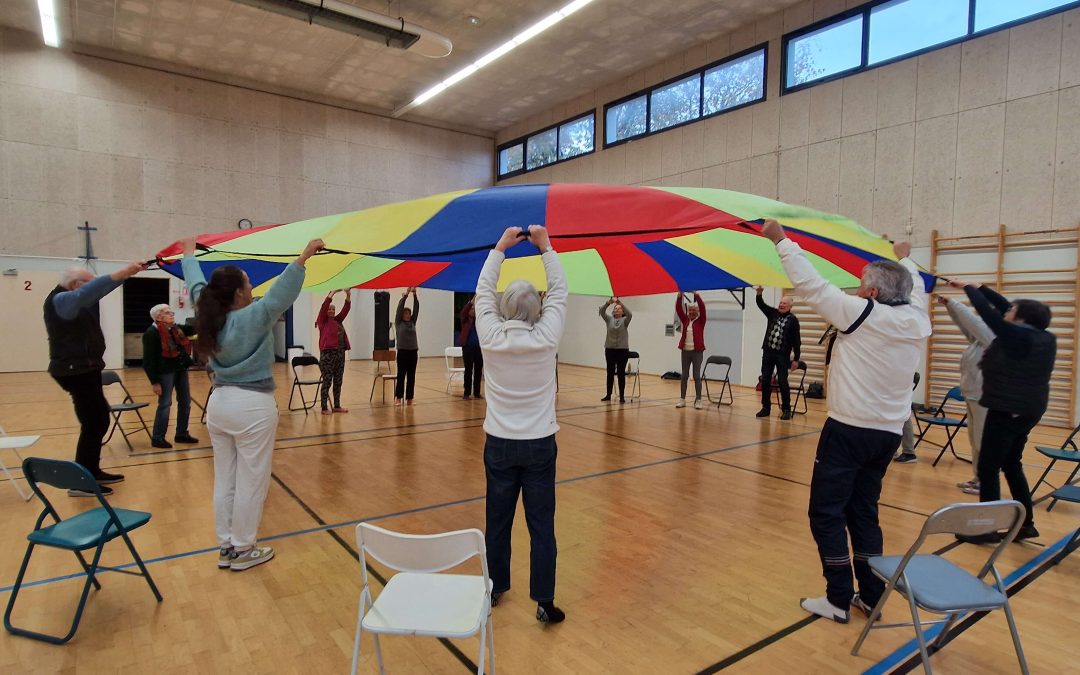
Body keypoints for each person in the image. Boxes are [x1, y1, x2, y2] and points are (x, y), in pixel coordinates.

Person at [760, 219, 931, 624]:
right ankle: (871, 595)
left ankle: (838, 598)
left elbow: (812, 286)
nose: (855, 288)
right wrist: (908, 260)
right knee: (864, 512)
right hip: (887, 435)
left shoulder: (863, 313)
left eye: (860, 283)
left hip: (849, 431)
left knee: (826, 513)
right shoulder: (917, 320)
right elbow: (918, 288)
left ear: (872, 292)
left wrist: (781, 241)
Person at [183, 236, 324, 571]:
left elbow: (195, 284)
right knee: (252, 481)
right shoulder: (255, 315)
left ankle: (227, 546)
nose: (252, 288)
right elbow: (284, 290)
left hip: (218, 405)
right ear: (237, 294)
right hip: (252, 407)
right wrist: (306, 253)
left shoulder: (208, 314)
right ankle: (244, 549)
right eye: (247, 284)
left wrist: (189, 255)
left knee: (225, 479)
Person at [476, 224, 567, 624]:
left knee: (497, 521)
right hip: (539, 446)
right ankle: (544, 601)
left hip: (499, 444)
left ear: (503, 308)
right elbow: (560, 291)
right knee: (541, 525)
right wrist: (546, 247)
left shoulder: (491, 337)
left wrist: (500, 248)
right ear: (538, 310)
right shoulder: (547, 337)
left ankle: (494, 588)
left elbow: (482, 292)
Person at [952, 279, 1054, 543]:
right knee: (1011, 464)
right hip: (1027, 410)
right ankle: (1026, 524)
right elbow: (1005, 307)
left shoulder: (1018, 336)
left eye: (1011, 312)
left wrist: (969, 290)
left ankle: (986, 528)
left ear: (1020, 319)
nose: (1006, 312)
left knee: (988, 468)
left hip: (1008, 409)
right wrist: (981, 287)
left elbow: (989, 315)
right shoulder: (1041, 335)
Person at [44, 261, 148, 496]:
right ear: (74, 285)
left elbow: (96, 291)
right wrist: (121, 272)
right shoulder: (61, 300)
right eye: (88, 284)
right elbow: (89, 292)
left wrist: (125, 277)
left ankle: (90, 470)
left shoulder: (76, 298)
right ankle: (80, 481)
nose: (93, 289)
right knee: (93, 422)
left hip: (84, 369)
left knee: (99, 419)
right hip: (74, 370)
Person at [142, 304, 199, 449]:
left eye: (171, 312)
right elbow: (148, 361)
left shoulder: (175, 329)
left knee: (185, 402)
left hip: (180, 369)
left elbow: (192, 329)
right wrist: (154, 382)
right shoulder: (151, 333)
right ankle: (158, 437)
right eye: (168, 313)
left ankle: (181, 433)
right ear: (158, 317)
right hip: (165, 372)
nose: (172, 315)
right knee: (165, 404)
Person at [755, 287, 801, 420]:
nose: (781, 305)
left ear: (790, 307)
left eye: (784, 304)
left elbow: (797, 341)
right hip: (768, 353)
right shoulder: (773, 313)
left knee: (782, 381)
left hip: (782, 355)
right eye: (780, 303)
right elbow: (761, 305)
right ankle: (766, 407)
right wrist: (759, 293)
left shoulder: (793, 320)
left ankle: (786, 409)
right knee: (765, 380)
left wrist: (796, 359)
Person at [316, 289, 351, 415]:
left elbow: (345, 310)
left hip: (340, 355)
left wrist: (348, 295)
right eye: (329, 309)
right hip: (327, 355)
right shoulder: (322, 322)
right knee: (327, 380)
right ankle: (324, 407)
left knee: (338, 380)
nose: (331, 311)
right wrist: (331, 294)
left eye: (333, 309)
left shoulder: (337, 321)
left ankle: (336, 405)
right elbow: (323, 307)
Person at [675, 291, 706, 409]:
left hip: (697, 352)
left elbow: (702, 307)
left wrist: (696, 295)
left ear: (697, 312)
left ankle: (698, 400)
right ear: (688, 312)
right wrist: (680, 295)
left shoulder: (701, 321)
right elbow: (678, 309)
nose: (692, 312)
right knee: (684, 375)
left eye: (694, 310)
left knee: (697, 376)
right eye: (690, 310)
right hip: (685, 351)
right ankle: (682, 399)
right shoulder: (685, 320)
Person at [599, 297, 632, 403]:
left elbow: (630, 314)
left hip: (622, 350)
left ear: (622, 311)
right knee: (610, 372)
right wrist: (609, 302)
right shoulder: (609, 320)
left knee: (621, 373)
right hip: (610, 349)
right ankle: (608, 394)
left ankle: (622, 396)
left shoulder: (625, 320)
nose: (617, 309)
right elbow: (602, 311)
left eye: (619, 308)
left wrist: (620, 303)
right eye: (615, 308)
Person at [394, 287, 419, 405]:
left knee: (411, 376)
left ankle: (409, 398)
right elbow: (399, 308)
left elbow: (417, 309)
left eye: (408, 313)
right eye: (405, 313)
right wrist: (406, 295)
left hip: (413, 352)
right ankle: (398, 397)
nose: (407, 315)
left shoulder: (413, 322)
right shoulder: (399, 323)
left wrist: (415, 295)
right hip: (402, 352)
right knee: (401, 375)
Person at [459, 298, 483, 399]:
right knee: (468, 370)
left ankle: (477, 393)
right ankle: (467, 392)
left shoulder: (479, 322)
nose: (473, 310)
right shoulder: (465, 320)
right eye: (472, 309)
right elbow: (463, 311)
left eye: (474, 309)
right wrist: (471, 302)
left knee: (478, 370)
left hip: (479, 348)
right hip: (468, 348)